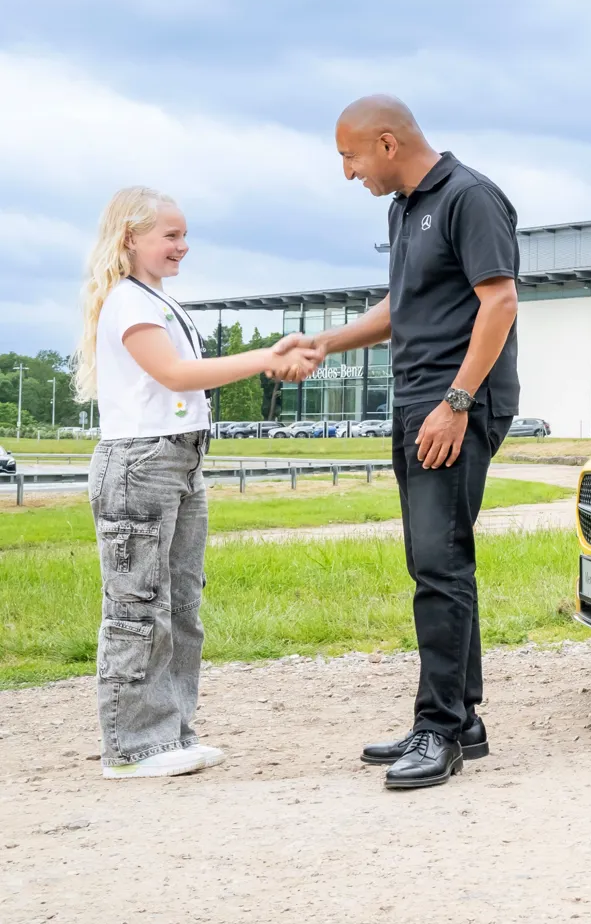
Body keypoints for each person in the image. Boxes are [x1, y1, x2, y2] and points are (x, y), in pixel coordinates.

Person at [274, 96, 520, 790]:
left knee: (439, 565)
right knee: (434, 560)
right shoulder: (404, 208)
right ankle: (462, 720)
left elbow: (497, 300)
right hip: (419, 401)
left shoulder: (470, 197)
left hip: (455, 403)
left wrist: (455, 402)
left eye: (349, 157)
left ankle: (437, 728)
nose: (347, 173)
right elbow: (401, 305)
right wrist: (326, 339)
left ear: (386, 143)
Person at [73, 186, 321, 780]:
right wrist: (264, 356)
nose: (183, 246)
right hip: (141, 463)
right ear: (130, 237)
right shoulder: (129, 303)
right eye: (171, 235)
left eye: (185, 235)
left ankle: (169, 734)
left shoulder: (157, 299)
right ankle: (131, 748)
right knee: (138, 607)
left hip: (180, 460)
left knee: (181, 606)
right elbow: (176, 373)